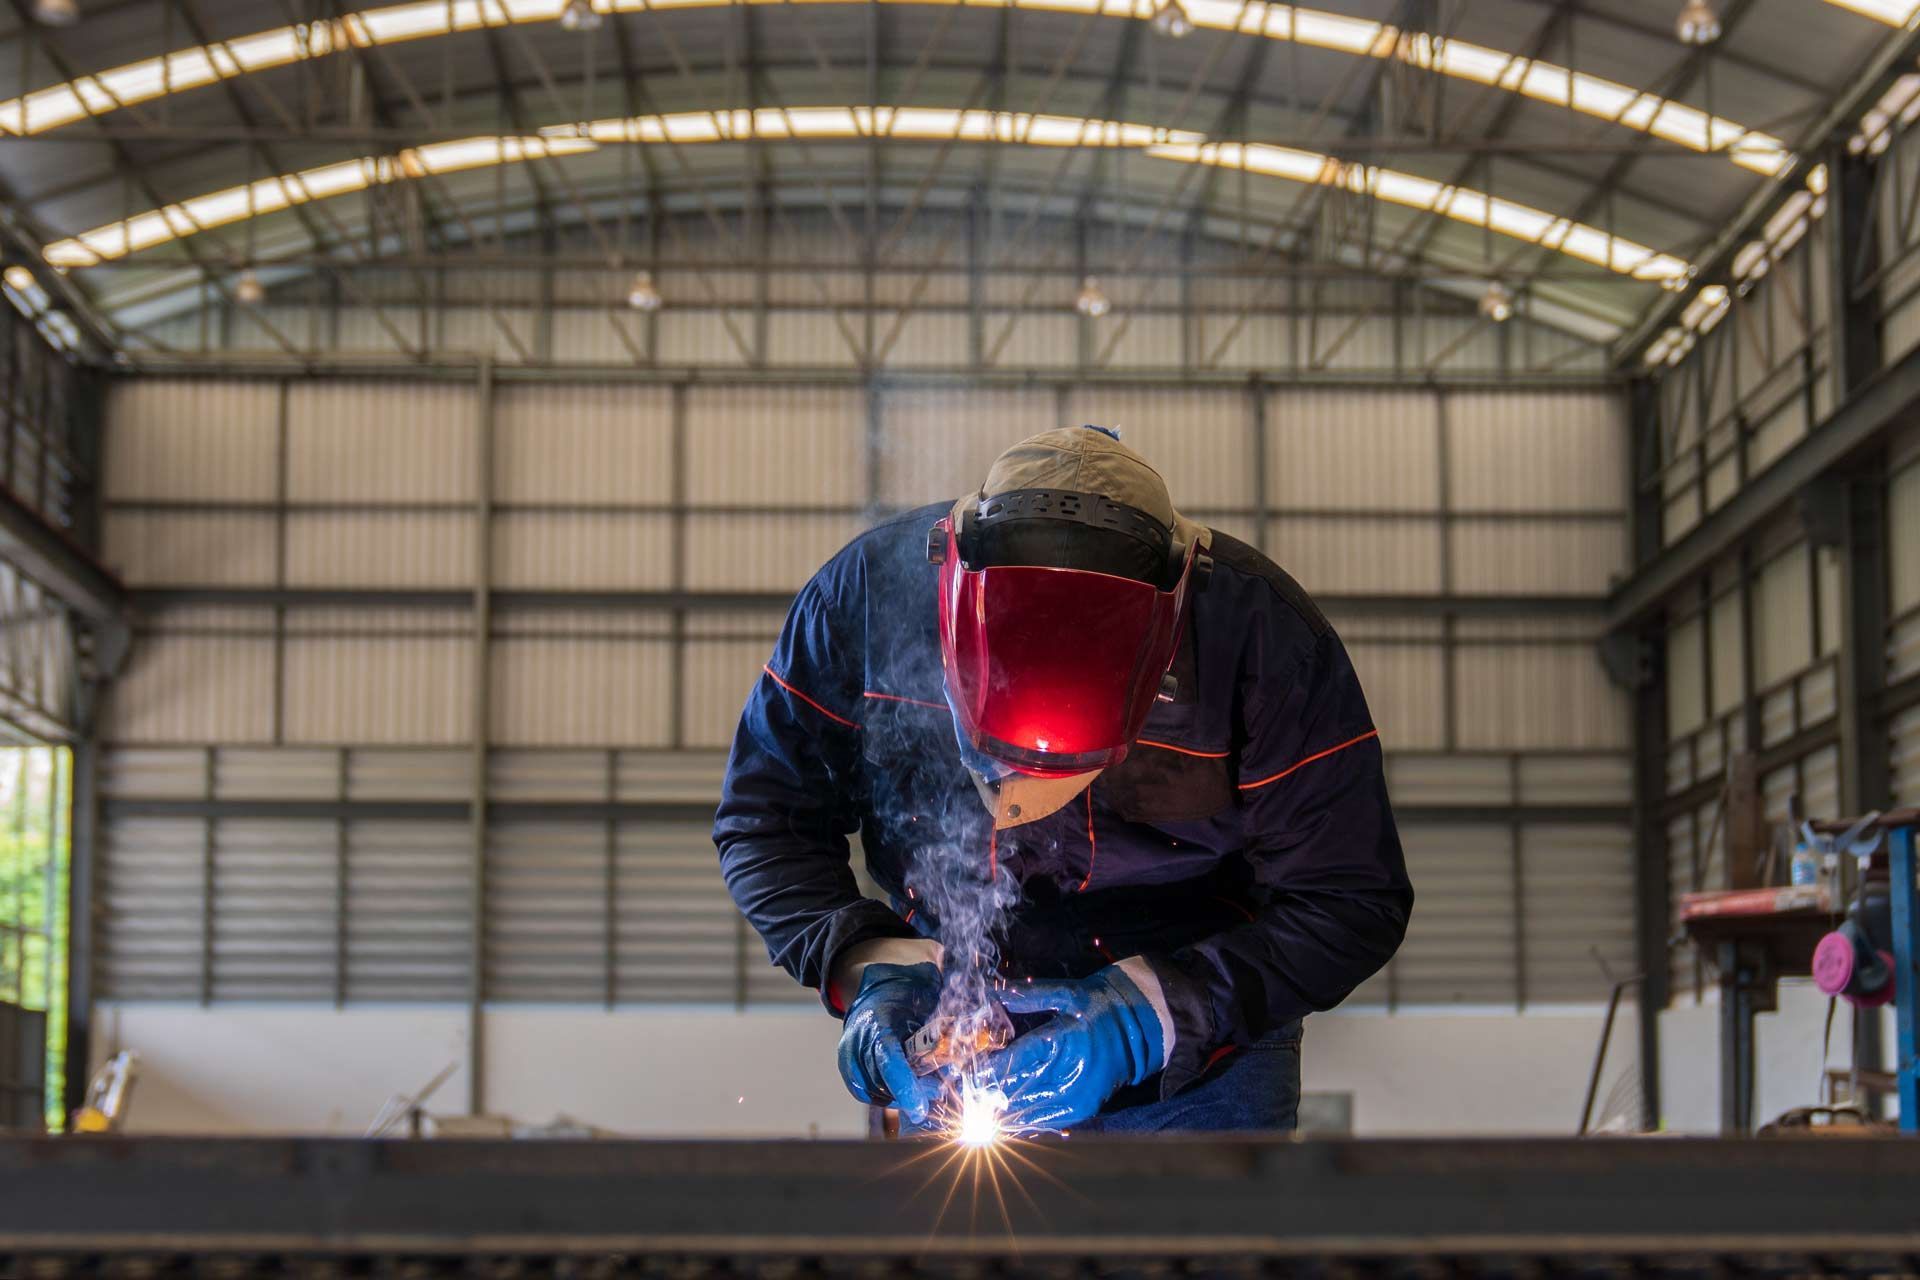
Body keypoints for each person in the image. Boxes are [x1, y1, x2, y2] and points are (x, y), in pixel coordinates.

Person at [714, 426, 1412, 1133]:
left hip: (1201, 1049)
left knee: (1199, 1244)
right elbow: (766, 819)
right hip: (953, 1034)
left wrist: (1155, 1014)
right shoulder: (863, 601)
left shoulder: (1263, 638)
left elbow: (1351, 897)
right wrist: (869, 960)